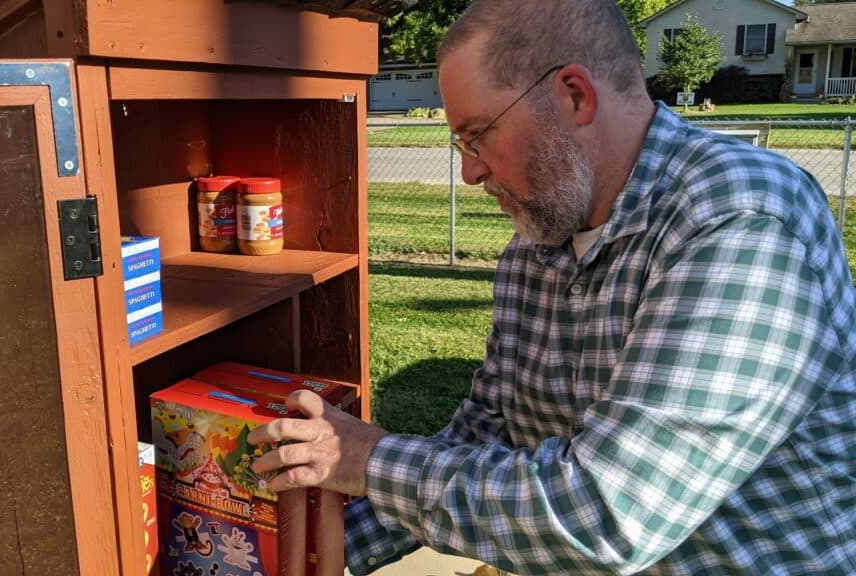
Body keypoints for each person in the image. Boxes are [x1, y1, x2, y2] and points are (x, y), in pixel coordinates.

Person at [248, 0, 856, 573]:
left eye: (479, 133)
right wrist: (297, 553)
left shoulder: (738, 216)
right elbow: (490, 433)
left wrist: (368, 460)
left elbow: (611, 513)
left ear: (573, 96)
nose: (471, 169)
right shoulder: (538, 246)